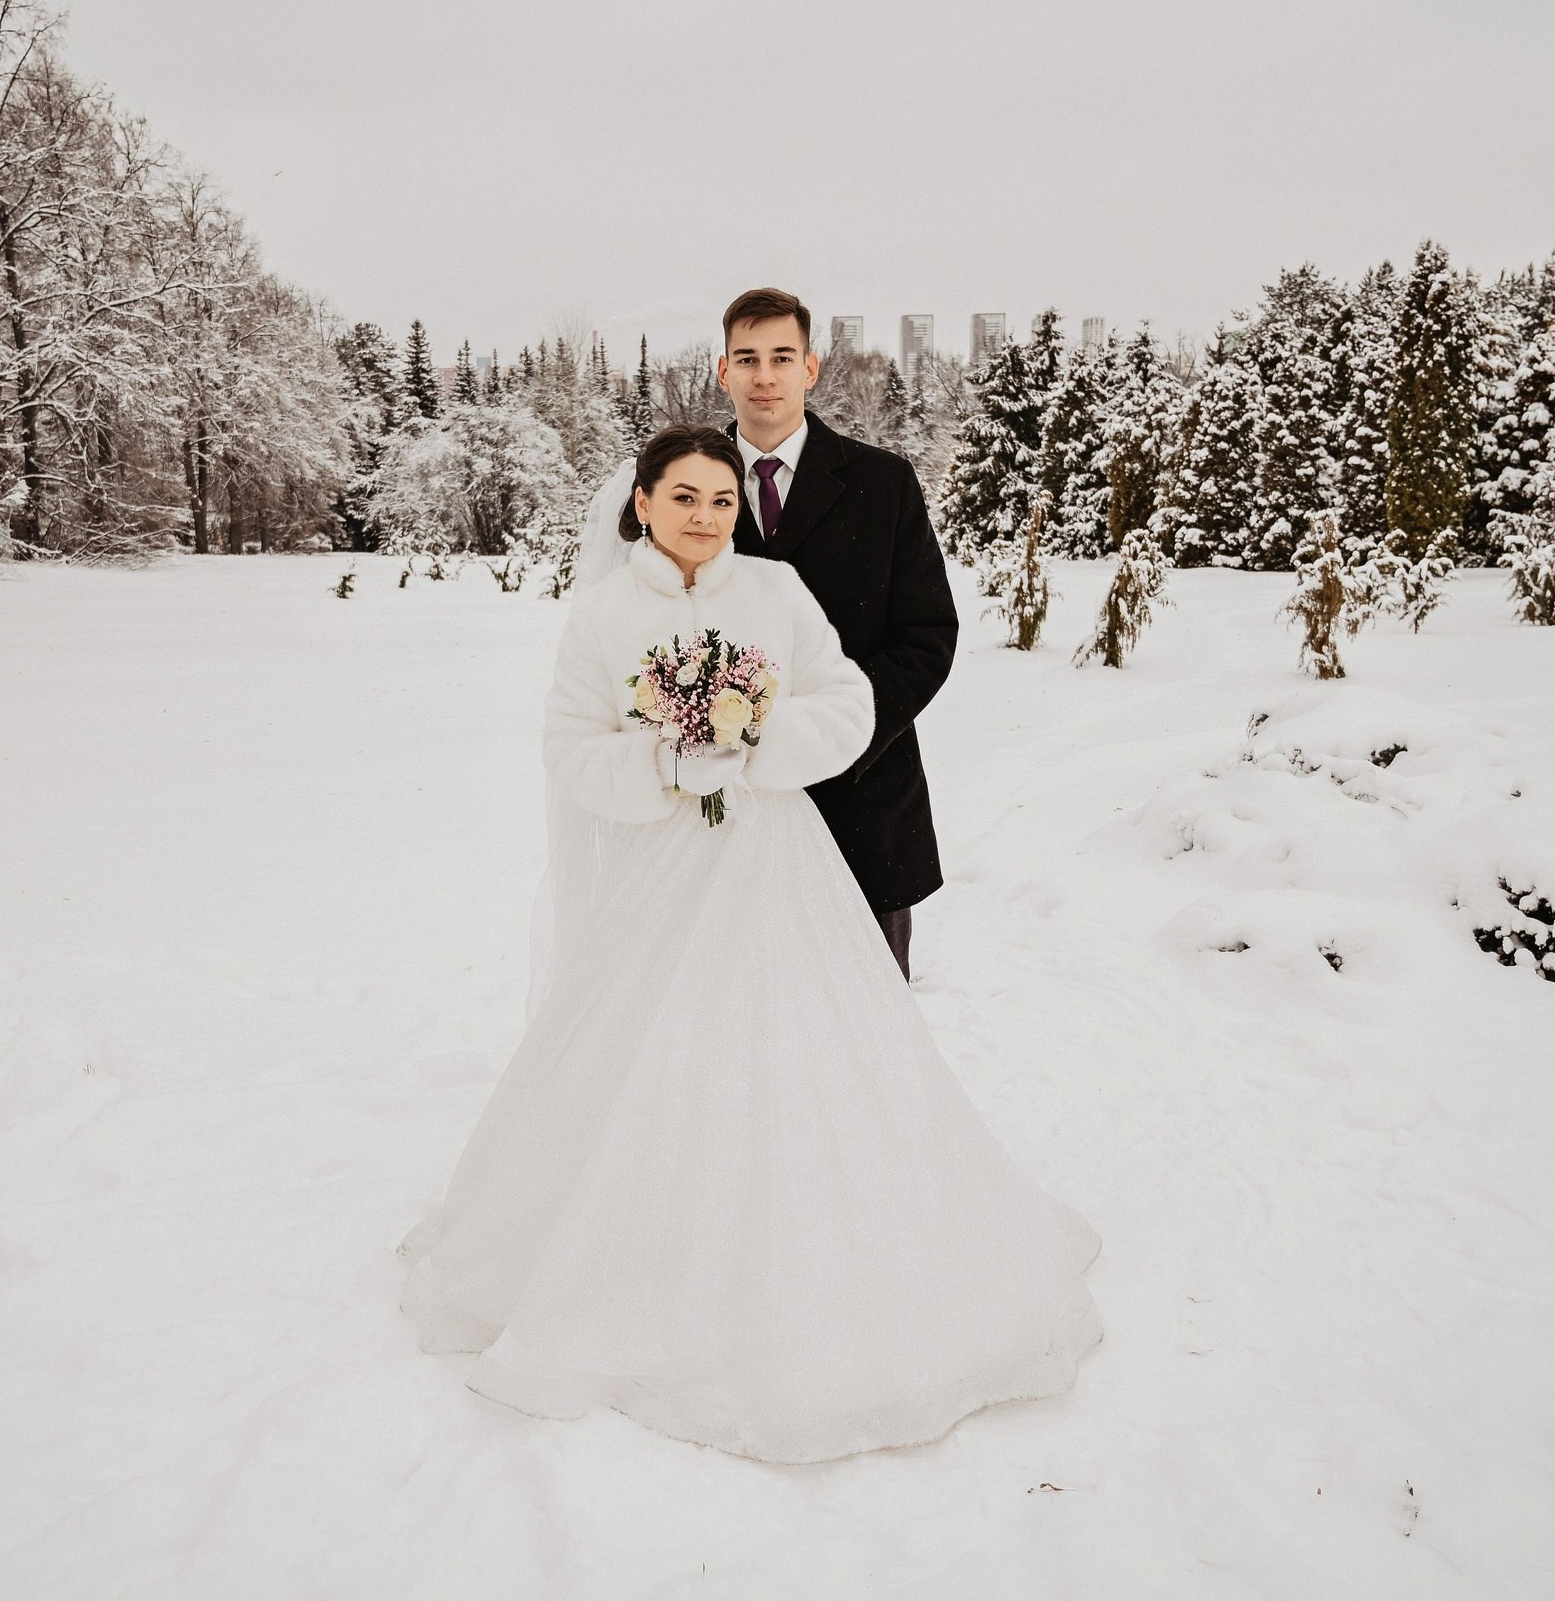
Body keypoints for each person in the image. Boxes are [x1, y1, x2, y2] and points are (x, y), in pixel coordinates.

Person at [396, 426, 1102, 1465]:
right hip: (657, 870)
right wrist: (665, 762)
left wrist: (761, 742)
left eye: (721, 499)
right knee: (649, 1045)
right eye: (682, 496)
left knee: (805, 1040)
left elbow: (846, 696)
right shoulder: (600, 613)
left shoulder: (774, 594)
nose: (704, 516)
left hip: (776, 852)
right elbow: (569, 746)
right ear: (641, 503)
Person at [720, 287, 958, 981]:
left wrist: (834, 734)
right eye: (748, 357)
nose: (765, 375)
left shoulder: (884, 484)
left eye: (782, 357)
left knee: (868, 1043)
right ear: (723, 371)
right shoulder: (687, 487)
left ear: (812, 368)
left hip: (865, 806)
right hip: (725, 817)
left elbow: (927, 636)